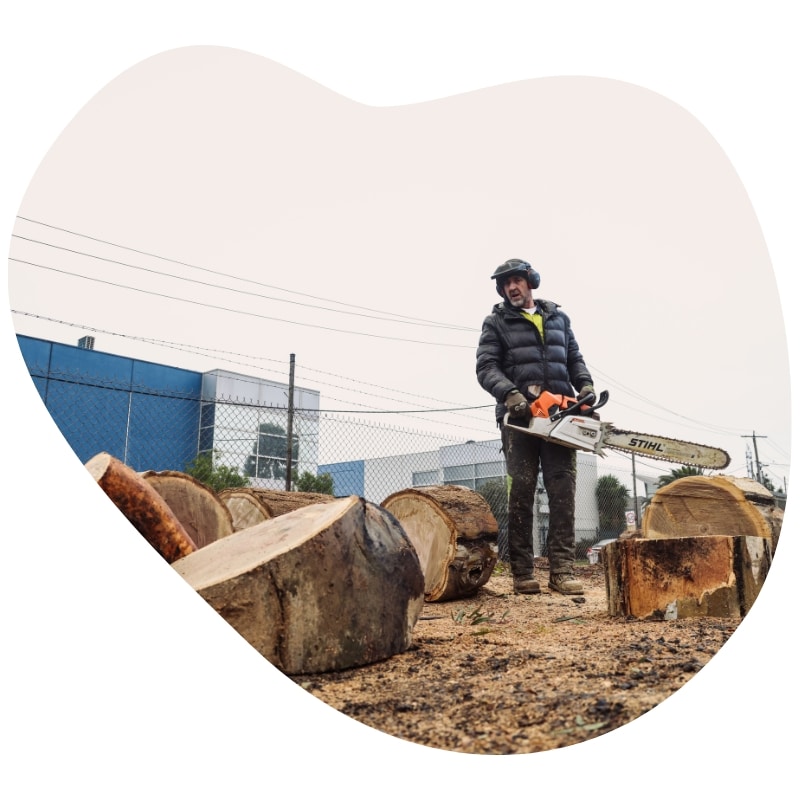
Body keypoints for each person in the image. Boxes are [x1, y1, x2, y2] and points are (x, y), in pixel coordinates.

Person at [476, 258, 595, 595]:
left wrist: (584, 386)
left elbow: (574, 359)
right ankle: (522, 572)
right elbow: (486, 366)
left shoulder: (558, 317)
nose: (511, 287)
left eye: (516, 280)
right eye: (505, 284)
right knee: (522, 491)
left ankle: (562, 571)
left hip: (560, 417)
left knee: (563, 492)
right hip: (520, 420)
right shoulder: (496, 322)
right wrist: (509, 393)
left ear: (531, 282)